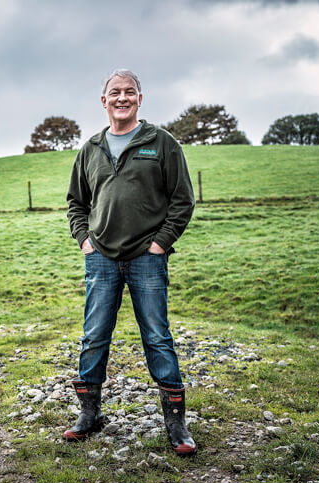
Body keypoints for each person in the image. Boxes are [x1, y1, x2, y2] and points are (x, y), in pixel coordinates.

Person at [64, 69, 197, 454]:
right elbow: (76, 202)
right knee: (94, 337)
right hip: (101, 257)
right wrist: (85, 240)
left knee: (157, 336)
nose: (122, 98)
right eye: (114, 92)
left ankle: (176, 425)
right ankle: (89, 416)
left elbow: (182, 200)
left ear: (140, 98)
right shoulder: (90, 148)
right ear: (103, 101)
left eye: (129, 92)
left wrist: (160, 244)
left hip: (146, 258)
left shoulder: (162, 142)